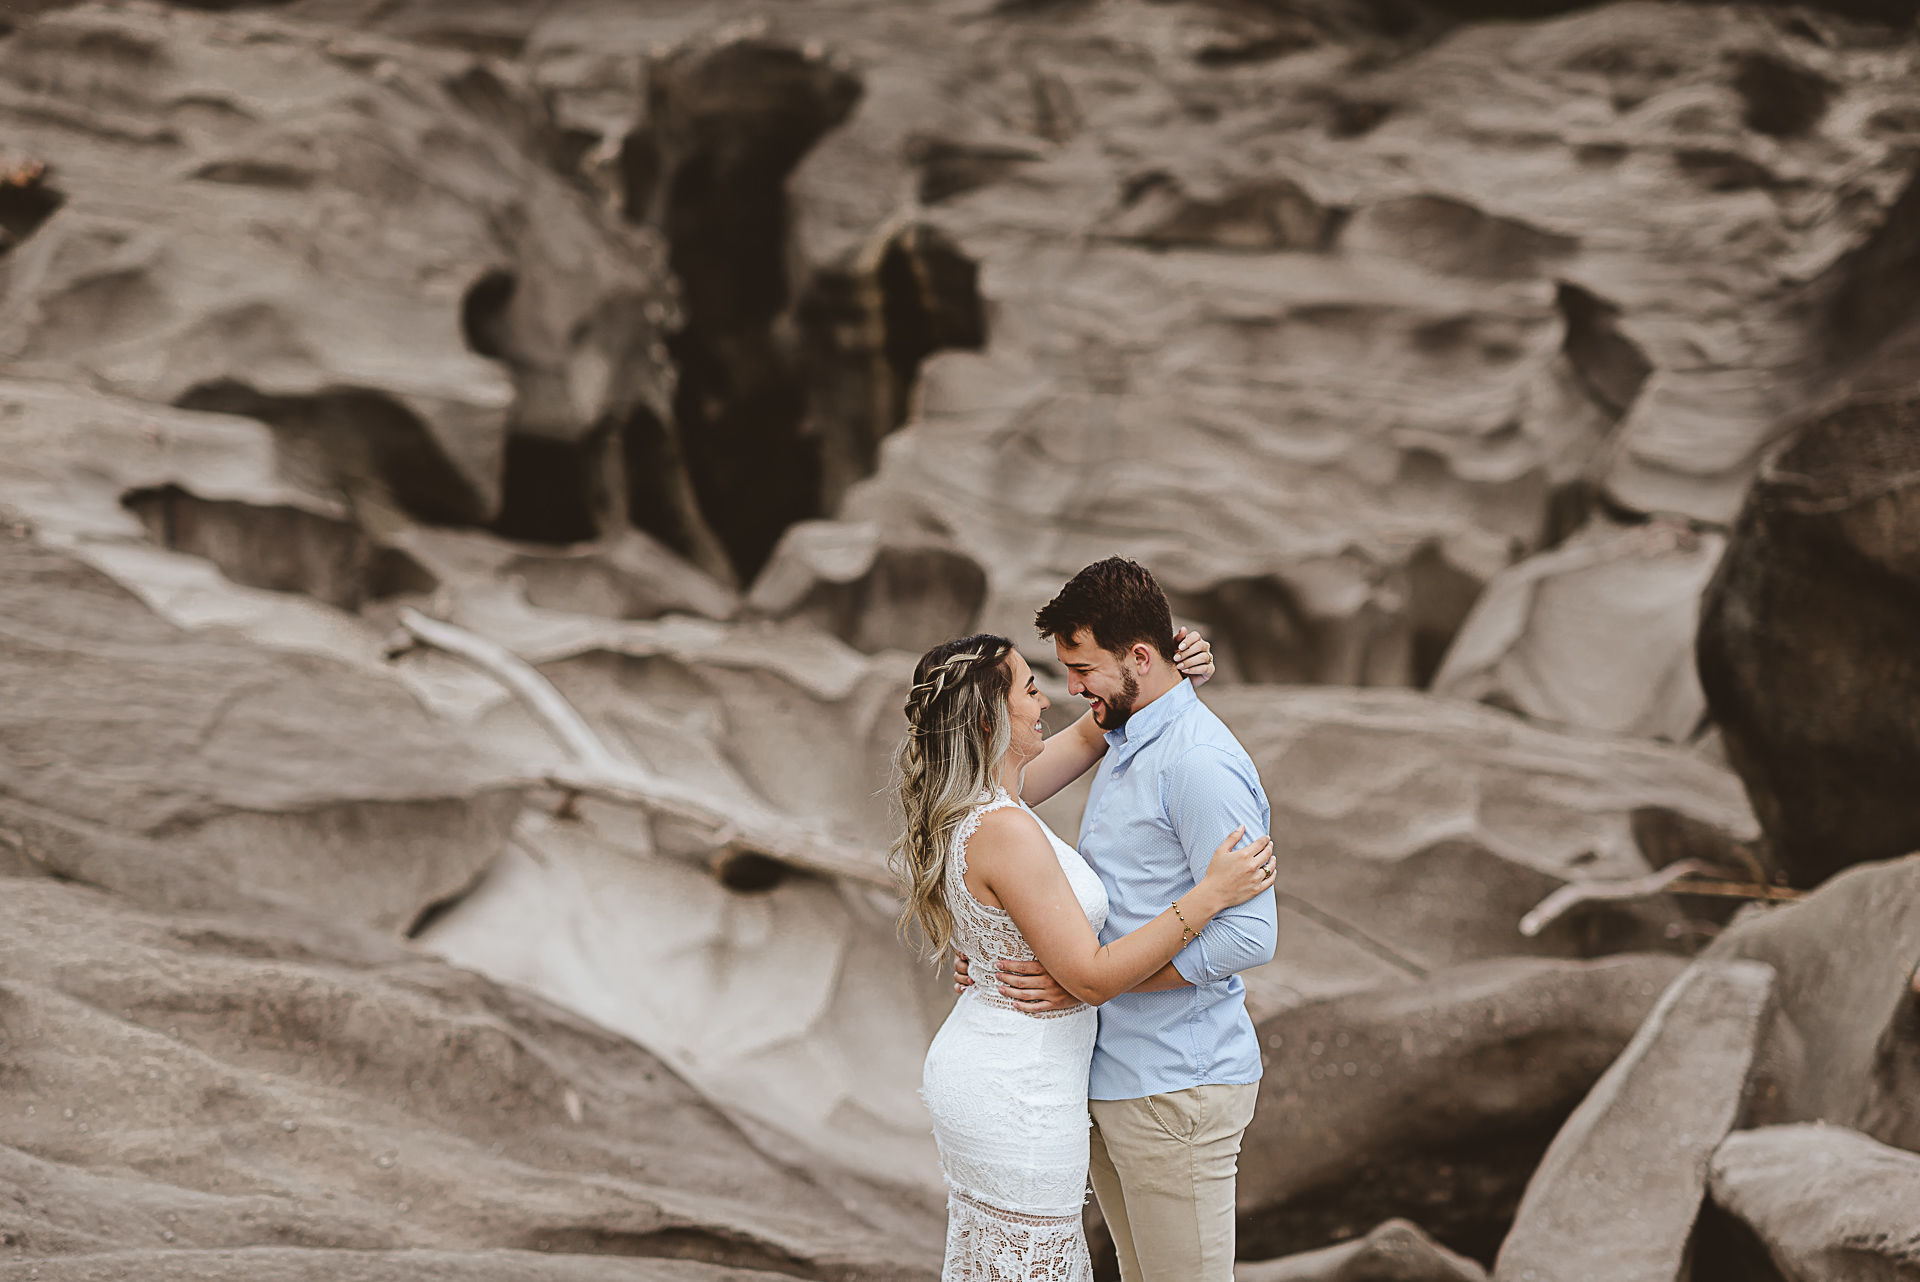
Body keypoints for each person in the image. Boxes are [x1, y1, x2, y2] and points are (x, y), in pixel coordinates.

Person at [893, 605, 1276, 1282]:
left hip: (1011, 1066)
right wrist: (1207, 896)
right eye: (1031, 687)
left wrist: (1163, 671)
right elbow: (1093, 976)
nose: (1056, 694)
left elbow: (1096, 724)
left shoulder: (983, 798)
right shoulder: (1003, 823)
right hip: (1019, 1084)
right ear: (989, 721)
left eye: (1070, 674)